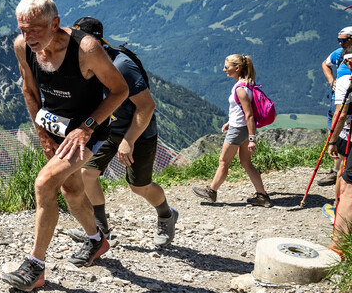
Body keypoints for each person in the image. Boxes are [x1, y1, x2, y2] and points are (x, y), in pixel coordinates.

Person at [1, 0, 129, 293]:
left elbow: (120, 91)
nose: (28, 36)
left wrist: (85, 128)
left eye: (35, 29)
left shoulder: (86, 48)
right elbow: (29, 92)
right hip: (55, 130)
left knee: (44, 183)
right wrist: (43, 135)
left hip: (87, 132)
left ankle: (35, 266)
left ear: (55, 22)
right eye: (22, 29)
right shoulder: (23, 47)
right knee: (71, 191)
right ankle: (97, 240)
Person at [63, 17, 179, 248]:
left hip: (138, 130)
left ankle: (166, 215)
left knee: (139, 186)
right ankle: (100, 228)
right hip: (108, 127)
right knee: (87, 172)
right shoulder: (87, 63)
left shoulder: (122, 65)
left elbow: (147, 106)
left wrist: (129, 140)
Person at [192, 55, 271, 206]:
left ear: (237, 68)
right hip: (242, 128)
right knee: (246, 162)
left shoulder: (240, 88)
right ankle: (262, 196)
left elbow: (249, 114)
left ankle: (211, 191)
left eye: (227, 67)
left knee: (223, 161)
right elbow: (243, 112)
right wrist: (231, 121)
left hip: (238, 130)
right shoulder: (247, 84)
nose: (224, 69)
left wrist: (253, 139)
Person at [325, 44, 352, 256]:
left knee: (347, 185)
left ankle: (338, 248)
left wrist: (332, 140)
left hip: (347, 134)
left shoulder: (345, 82)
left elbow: (340, 114)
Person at [320, 27, 352, 187]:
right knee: (337, 137)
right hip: (336, 102)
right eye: (338, 40)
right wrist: (332, 81)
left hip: (343, 106)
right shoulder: (339, 54)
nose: (340, 43)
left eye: (343, 40)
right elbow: (325, 64)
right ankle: (337, 169)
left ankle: (340, 172)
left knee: (339, 138)